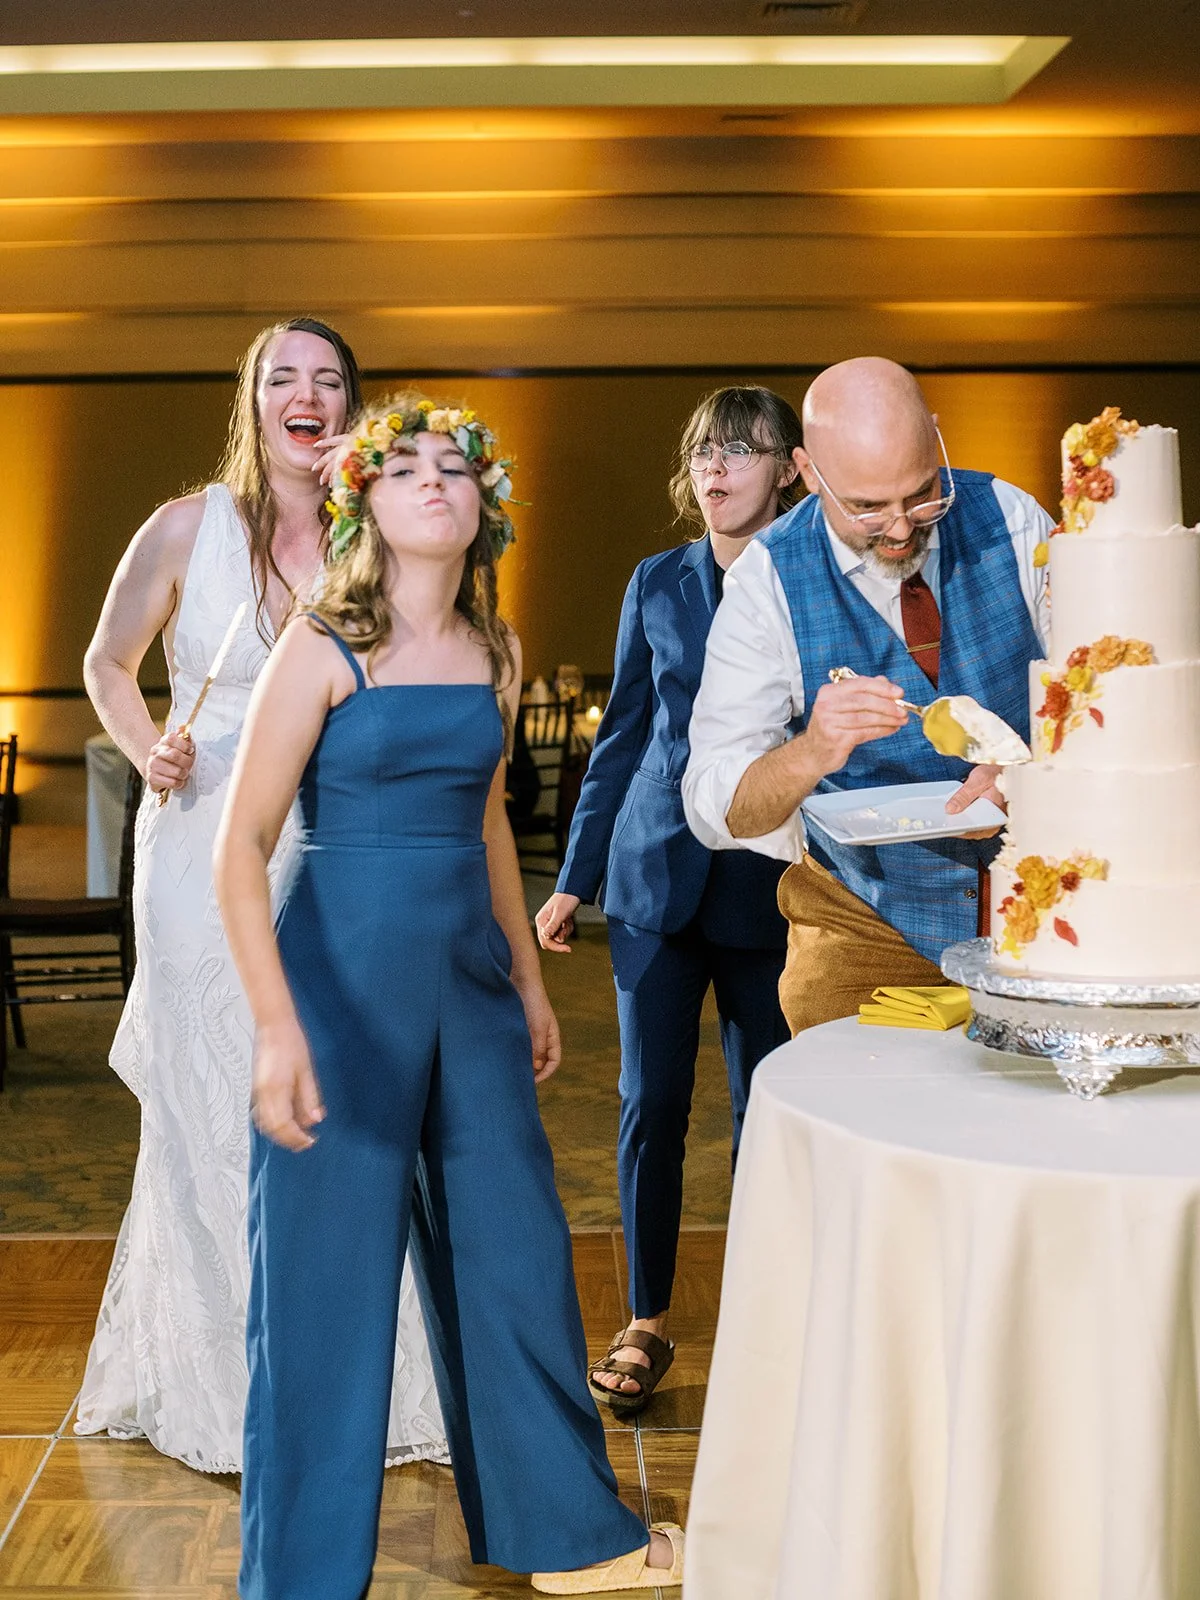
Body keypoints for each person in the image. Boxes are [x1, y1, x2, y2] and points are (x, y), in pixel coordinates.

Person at [213, 394, 684, 1597]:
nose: (435, 482)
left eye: (458, 469)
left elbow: (483, 817)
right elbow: (240, 843)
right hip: (338, 982)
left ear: (486, 509)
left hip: (468, 980)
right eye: (406, 465)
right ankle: (302, 1577)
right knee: (325, 1287)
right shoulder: (318, 643)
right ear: (363, 498)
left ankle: (569, 1537)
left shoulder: (499, 647)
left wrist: (525, 974)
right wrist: (276, 1026)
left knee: (513, 1250)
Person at [77, 320, 447, 1473]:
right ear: (252, 401)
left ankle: (346, 1381)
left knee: (337, 1105)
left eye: (329, 380)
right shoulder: (186, 528)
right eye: (283, 376)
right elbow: (103, 663)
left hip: (337, 848)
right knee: (212, 1097)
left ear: (352, 408)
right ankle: (231, 1384)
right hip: (197, 854)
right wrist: (148, 751)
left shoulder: (378, 539)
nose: (307, 393)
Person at [535, 386, 799, 1416]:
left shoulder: (821, 580)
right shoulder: (658, 579)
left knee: (769, 1112)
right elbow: (623, 738)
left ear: (790, 467)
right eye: (703, 451)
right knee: (651, 1107)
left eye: (742, 450)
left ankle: (779, 1316)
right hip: (654, 876)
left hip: (771, 884)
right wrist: (573, 878)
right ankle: (645, 1319)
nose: (717, 468)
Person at [682, 356, 1053, 1032]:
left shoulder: (1012, 518)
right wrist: (812, 751)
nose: (903, 528)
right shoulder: (767, 582)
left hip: (1042, 900)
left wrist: (1026, 773)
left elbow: (1103, 689)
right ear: (808, 470)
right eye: (865, 508)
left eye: (921, 494)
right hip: (863, 923)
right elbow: (718, 806)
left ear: (937, 439)